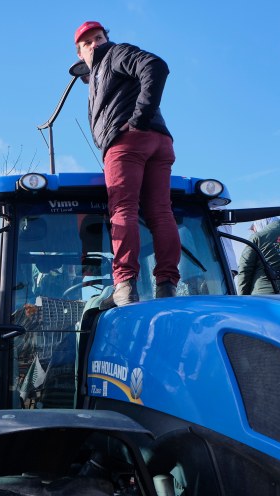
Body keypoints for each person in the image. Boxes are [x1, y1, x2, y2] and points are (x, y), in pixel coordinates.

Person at [74, 20, 180, 308]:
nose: (95, 44)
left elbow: (155, 66)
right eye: (87, 42)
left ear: (106, 38)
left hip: (128, 141)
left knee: (123, 208)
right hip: (159, 141)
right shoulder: (97, 74)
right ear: (79, 55)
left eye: (98, 37)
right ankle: (167, 285)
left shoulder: (114, 54)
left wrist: (139, 119)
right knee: (160, 210)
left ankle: (124, 285)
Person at [236, 217, 280, 294]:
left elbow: (245, 267)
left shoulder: (258, 237)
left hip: (263, 296)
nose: (254, 232)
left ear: (259, 224)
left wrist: (243, 296)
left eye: (253, 230)